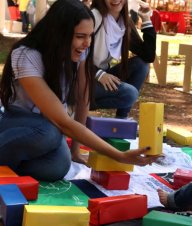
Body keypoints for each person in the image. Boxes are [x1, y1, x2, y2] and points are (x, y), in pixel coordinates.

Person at [0, 0, 157, 182]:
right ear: (59, 33)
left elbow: (83, 99)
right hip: (15, 121)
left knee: (58, 166)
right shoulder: (26, 55)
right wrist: (119, 156)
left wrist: (75, 151)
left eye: (90, 36)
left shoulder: (78, 53)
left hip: (45, 126)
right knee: (50, 133)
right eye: (80, 36)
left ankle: (7, 165)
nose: (87, 43)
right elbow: (63, 122)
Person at [90, 0, 156, 119]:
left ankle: (122, 119)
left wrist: (146, 19)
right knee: (129, 94)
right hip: (82, 78)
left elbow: (148, 56)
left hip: (102, 77)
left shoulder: (124, 22)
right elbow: (73, 56)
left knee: (141, 65)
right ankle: (78, 103)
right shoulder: (94, 17)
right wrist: (99, 74)